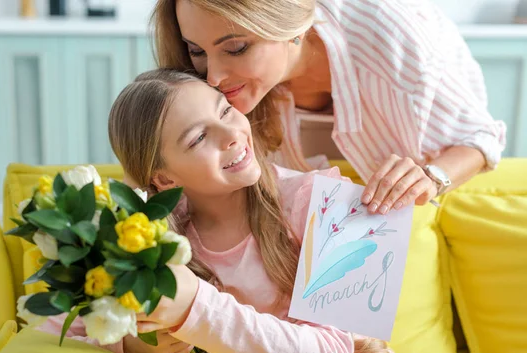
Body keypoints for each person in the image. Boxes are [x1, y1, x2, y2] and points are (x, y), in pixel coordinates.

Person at [39, 69, 419, 353]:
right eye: (198, 138)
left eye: (224, 110)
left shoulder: (323, 202)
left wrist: (195, 307)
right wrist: (128, 348)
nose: (233, 134)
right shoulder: (145, 243)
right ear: (164, 178)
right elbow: (47, 333)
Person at [151, 0, 506, 215]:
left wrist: (431, 176)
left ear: (292, 28)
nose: (213, 77)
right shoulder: (220, 94)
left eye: (236, 48)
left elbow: (481, 136)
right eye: (197, 52)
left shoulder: (395, 40)